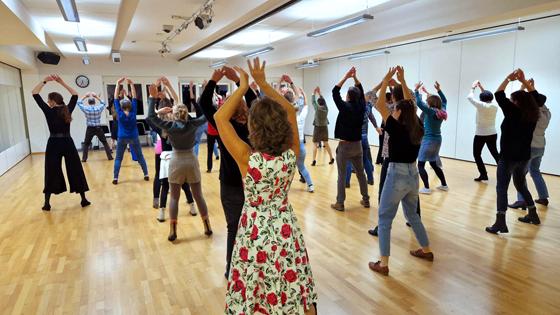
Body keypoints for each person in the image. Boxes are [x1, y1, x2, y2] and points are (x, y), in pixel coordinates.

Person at [216, 58, 317, 314]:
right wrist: (262, 84)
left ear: (253, 127)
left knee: (255, 285)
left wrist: (243, 86)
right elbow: (291, 111)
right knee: (291, 281)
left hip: (254, 231)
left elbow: (220, 118)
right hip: (285, 228)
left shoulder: (247, 159)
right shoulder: (291, 155)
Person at [369, 66, 433, 276]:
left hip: (396, 174)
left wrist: (387, 79)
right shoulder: (418, 127)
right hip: (413, 175)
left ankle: (384, 264)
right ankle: (426, 250)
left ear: (399, 112)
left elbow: (378, 104)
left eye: (395, 108)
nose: (393, 110)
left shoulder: (395, 127)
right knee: (413, 216)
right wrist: (403, 81)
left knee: (384, 218)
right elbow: (411, 104)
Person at [198, 65, 257, 279]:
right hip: (253, 183)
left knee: (234, 227)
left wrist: (214, 79)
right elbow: (256, 103)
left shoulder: (225, 128)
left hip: (231, 184)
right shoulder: (254, 126)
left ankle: (231, 269)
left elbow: (204, 103)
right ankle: (253, 265)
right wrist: (241, 82)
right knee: (253, 228)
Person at [147, 79, 211, 241]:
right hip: (191, 160)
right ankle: (207, 226)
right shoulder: (193, 123)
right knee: (198, 196)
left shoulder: (169, 126)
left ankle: (173, 229)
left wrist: (152, 98)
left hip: (175, 161)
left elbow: (150, 116)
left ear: (174, 115)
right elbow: (207, 115)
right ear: (186, 113)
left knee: (174, 197)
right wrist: (207, 92)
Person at [486, 69, 542, 234]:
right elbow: (537, 99)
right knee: (520, 184)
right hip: (524, 157)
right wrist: (524, 83)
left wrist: (508, 79)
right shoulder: (533, 113)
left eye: (512, 100)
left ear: (516, 103)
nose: (510, 101)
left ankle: (500, 221)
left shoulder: (511, 112)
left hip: (508, 156)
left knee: (502, 187)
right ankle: (532, 213)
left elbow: (498, 93)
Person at [367, 81, 422, 237]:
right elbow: (410, 99)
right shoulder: (412, 112)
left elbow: (371, 97)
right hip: (409, 158)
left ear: (393, 97)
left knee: (383, 191)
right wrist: (401, 81)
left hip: (391, 157)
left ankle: (381, 225)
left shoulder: (392, 110)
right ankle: (414, 219)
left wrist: (385, 81)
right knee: (412, 192)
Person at [31, 75, 90, 211]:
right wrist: (61, 82)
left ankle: (47, 203)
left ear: (51, 101)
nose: (47, 102)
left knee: (51, 171)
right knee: (75, 169)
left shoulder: (48, 110)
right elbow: (75, 94)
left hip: (53, 144)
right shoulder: (67, 109)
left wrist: (45, 81)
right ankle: (83, 199)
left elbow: (34, 92)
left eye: (48, 100)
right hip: (67, 142)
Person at [148, 78, 197, 221]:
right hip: (178, 156)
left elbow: (148, 118)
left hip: (166, 158)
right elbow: (177, 102)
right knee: (185, 184)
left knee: (165, 184)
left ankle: (162, 211)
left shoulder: (162, 127)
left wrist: (157, 111)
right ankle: (192, 206)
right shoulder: (178, 124)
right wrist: (168, 86)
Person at [330, 67, 370, 211]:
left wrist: (347, 76)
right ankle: (366, 200)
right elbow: (360, 88)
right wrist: (354, 78)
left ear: (347, 96)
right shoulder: (361, 107)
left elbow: (335, 92)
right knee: (360, 173)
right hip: (357, 145)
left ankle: (340, 203)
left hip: (345, 146)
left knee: (342, 175)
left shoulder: (345, 107)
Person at [509, 79, 551, 209]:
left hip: (530, 147)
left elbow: (515, 104)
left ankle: (522, 200)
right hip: (541, 146)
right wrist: (530, 87)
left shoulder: (532, 113)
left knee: (520, 175)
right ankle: (543, 197)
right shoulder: (547, 113)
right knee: (535, 171)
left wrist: (523, 87)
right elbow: (535, 100)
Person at [112, 77, 149, 184]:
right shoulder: (133, 112)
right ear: (130, 106)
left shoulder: (119, 112)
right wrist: (132, 84)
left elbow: (115, 98)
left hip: (122, 137)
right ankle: (146, 174)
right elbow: (135, 97)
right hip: (133, 137)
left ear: (121, 106)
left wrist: (117, 84)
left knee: (118, 158)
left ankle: (115, 178)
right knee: (140, 156)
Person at [414, 81, 449, 194]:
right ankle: (444, 185)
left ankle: (427, 188)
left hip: (428, 140)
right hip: (438, 140)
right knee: (433, 163)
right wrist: (439, 90)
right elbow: (445, 101)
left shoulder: (430, 112)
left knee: (420, 165)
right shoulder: (442, 111)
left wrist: (416, 90)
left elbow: (419, 102)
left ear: (430, 103)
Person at [345, 85, 382, 187]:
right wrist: (376, 127)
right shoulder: (367, 107)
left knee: (348, 160)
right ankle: (370, 179)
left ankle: (346, 182)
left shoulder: (352, 106)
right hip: (364, 137)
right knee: (365, 159)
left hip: (354, 138)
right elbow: (372, 117)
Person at [467, 80, 499, 181]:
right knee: (495, 153)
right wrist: (481, 88)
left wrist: (473, 87)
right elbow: (487, 97)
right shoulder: (494, 105)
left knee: (477, 154)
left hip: (481, 134)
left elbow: (469, 97)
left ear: (481, 99)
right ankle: (504, 172)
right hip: (492, 132)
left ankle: (483, 174)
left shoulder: (481, 105)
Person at [77, 92, 113, 162]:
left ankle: (84, 159)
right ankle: (110, 157)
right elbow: (103, 103)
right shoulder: (98, 108)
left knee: (86, 144)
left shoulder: (86, 108)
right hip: (98, 128)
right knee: (104, 142)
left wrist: (85, 96)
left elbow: (78, 103)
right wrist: (96, 96)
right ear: (94, 102)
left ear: (88, 102)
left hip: (90, 128)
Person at [311, 87, 334, 166]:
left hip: (317, 127)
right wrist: (319, 93)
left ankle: (314, 160)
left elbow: (313, 101)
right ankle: (331, 158)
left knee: (315, 144)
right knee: (326, 143)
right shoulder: (326, 108)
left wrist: (314, 93)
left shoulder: (317, 108)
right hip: (325, 127)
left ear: (318, 103)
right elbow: (324, 101)